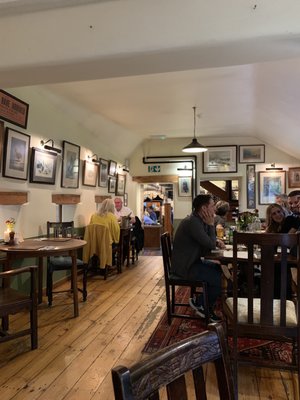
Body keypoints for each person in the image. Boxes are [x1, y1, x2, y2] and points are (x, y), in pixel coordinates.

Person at [171, 194, 224, 322]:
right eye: (212, 206)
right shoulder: (193, 222)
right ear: (204, 208)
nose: (214, 210)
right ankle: (202, 304)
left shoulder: (197, 220)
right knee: (218, 278)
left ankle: (204, 304)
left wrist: (215, 240)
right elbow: (209, 245)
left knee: (219, 269)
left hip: (191, 262)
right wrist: (211, 225)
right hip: (185, 268)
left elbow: (207, 242)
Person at [265, 203, 300, 299]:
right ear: (270, 217)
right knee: (270, 266)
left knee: (277, 268)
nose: (277, 215)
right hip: (280, 258)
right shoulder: (273, 227)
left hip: (292, 257)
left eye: (279, 211)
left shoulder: (290, 220)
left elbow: (287, 240)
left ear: (283, 211)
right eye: (274, 214)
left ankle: (282, 299)